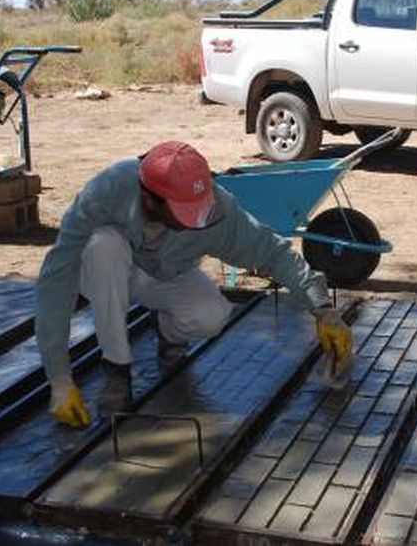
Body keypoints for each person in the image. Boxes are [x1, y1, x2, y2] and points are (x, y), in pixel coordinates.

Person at [35, 141, 352, 428]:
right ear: (149, 200)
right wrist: (60, 379)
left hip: (165, 275)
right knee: (103, 245)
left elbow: (272, 252)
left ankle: (168, 330)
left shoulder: (215, 206)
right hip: (104, 272)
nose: (197, 219)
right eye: (184, 211)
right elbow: (57, 276)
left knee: (210, 315)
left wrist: (322, 309)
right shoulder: (108, 190)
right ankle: (116, 370)